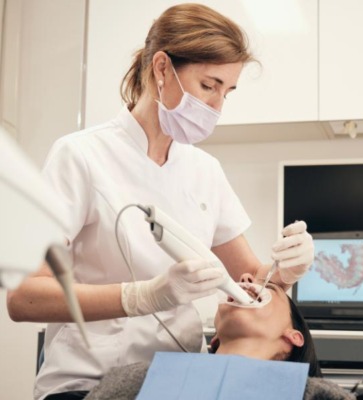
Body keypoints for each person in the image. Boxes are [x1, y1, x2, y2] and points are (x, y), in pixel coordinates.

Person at [6, 3, 315, 400]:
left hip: (181, 384)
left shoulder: (205, 170)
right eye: (209, 85)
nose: (218, 106)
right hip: (88, 383)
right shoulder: (81, 155)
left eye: (228, 91)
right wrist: (143, 296)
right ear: (162, 68)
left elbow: (254, 279)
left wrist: (287, 269)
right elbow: (23, 296)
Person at [84, 274, 363, 400]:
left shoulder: (315, 395)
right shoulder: (139, 379)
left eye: (267, 289)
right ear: (214, 340)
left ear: (293, 337)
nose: (246, 283)